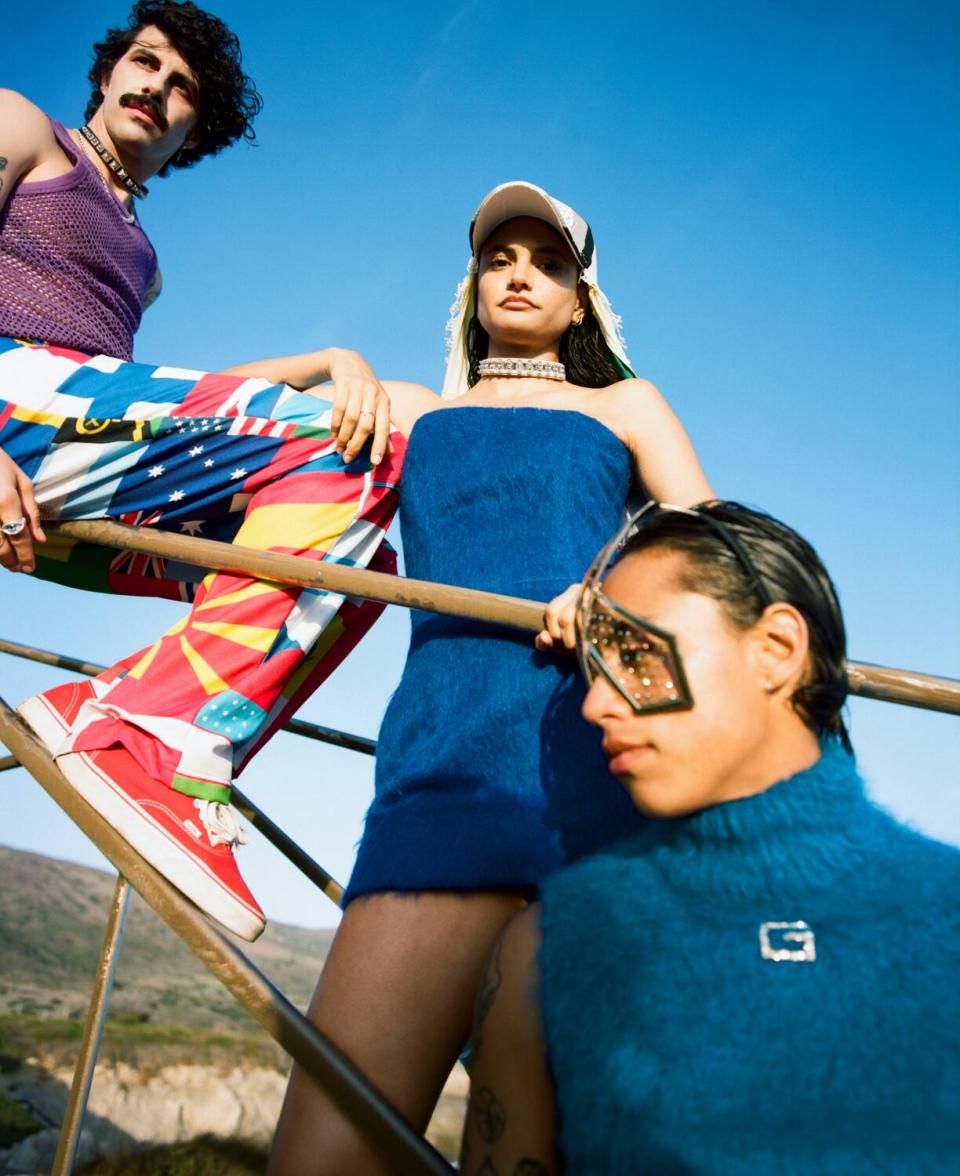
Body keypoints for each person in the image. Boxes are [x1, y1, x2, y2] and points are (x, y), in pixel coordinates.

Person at [268, 182, 715, 1174]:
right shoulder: (416, 412)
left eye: (548, 263)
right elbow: (224, 413)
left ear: (582, 299)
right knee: (320, 1159)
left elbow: (718, 549)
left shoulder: (623, 403)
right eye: (498, 259)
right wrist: (332, 361)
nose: (519, 275)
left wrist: (612, 581)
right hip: (442, 769)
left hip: (598, 782)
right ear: (472, 287)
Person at [1, 1, 400, 943]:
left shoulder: (143, 261)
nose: (156, 88)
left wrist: (328, 360)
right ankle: (140, 732)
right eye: (144, 63)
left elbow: (159, 407)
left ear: (191, 135)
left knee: (353, 571)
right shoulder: (22, 126)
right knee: (340, 447)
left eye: (182, 89)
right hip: (10, 408)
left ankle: (176, 753)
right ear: (106, 74)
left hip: (67, 454)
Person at [460, 501, 960, 1175]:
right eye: (594, 667)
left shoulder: (944, 916)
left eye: (634, 655)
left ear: (776, 651)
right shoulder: (550, 947)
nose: (596, 704)